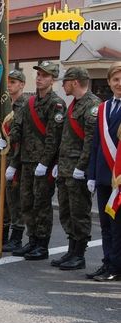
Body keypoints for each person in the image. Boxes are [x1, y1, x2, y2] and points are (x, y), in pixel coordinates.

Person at [7, 61, 66, 260]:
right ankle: (31, 240)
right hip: (25, 160)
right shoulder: (29, 102)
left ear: (53, 79)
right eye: (39, 74)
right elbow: (19, 128)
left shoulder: (56, 103)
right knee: (26, 203)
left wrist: (45, 162)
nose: (40, 78)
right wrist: (8, 139)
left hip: (42, 164)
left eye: (45, 75)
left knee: (42, 205)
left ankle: (42, 244)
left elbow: (53, 137)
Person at [51, 67, 101, 270]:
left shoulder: (92, 105)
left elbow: (90, 141)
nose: (63, 85)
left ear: (74, 82)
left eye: (66, 81)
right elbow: (66, 138)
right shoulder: (75, 104)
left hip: (77, 171)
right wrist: (56, 163)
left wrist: (82, 167)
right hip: (65, 168)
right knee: (66, 211)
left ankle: (79, 255)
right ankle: (71, 250)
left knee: (79, 212)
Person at [0, 70, 27, 251]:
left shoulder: (25, 105)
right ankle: (1, 234)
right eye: (8, 82)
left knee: (14, 201)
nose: (9, 85)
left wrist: (15, 164)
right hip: (1, 160)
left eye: (14, 82)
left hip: (15, 161)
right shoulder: (5, 105)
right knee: (0, 199)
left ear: (22, 85)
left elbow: (24, 138)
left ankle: (15, 238)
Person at [87, 61, 121, 281]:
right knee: (106, 224)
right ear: (109, 82)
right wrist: (91, 174)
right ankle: (108, 262)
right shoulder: (102, 108)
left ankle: (116, 266)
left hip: (119, 177)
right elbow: (96, 143)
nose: (120, 83)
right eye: (116, 79)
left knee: (119, 226)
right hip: (102, 175)